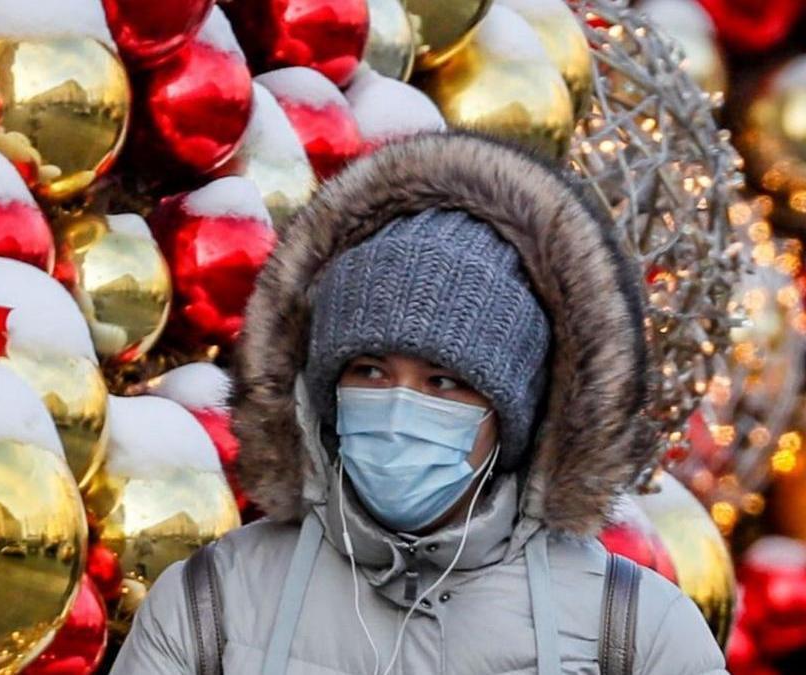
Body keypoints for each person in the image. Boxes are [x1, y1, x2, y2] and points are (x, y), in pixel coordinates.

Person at [112, 133, 727, 674]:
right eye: (370, 370)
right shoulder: (214, 607)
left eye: (443, 382)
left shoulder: (633, 633)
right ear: (324, 393)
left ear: (513, 414)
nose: (399, 407)